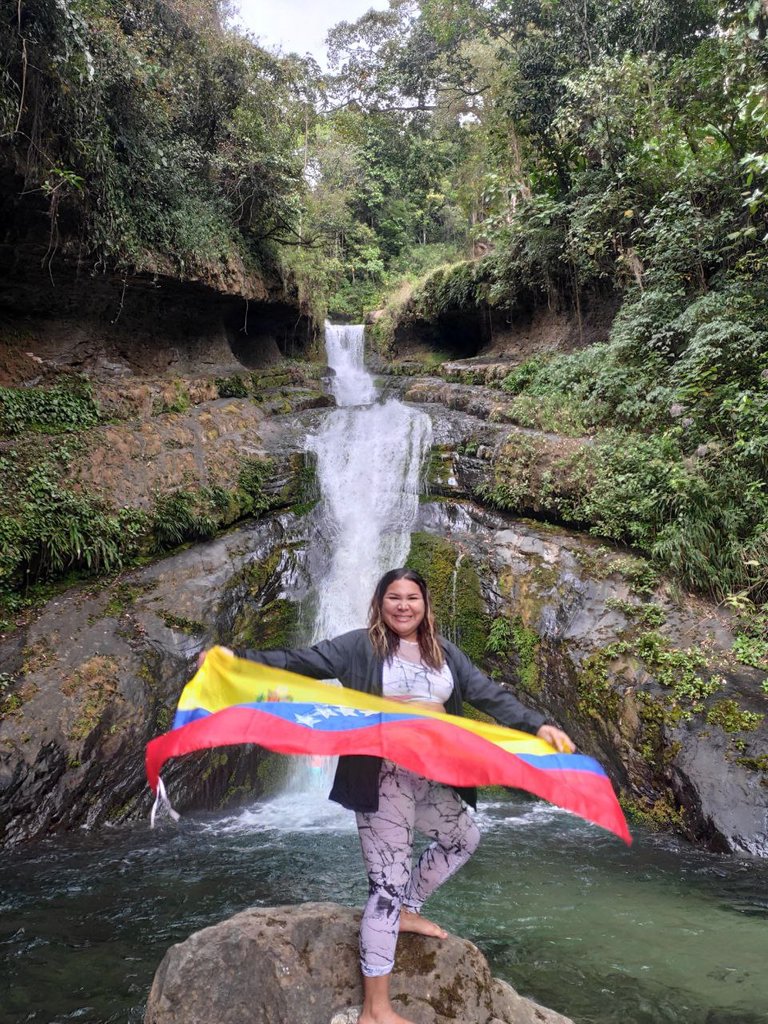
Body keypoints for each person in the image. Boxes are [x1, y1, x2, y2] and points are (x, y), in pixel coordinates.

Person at [227, 567, 574, 1024]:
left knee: (463, 839)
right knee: (384, 887)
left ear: (425, 604)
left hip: (430, 775)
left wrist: (536, 724)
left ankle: (409, 909)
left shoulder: (444, 652)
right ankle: (376, 1010)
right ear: (380, 601)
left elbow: (488, 694)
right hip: (381, 774)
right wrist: (236, 659)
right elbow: (301, 661)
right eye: (395, 597)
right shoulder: (359, 646)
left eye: (413, 597)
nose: (404, 605)